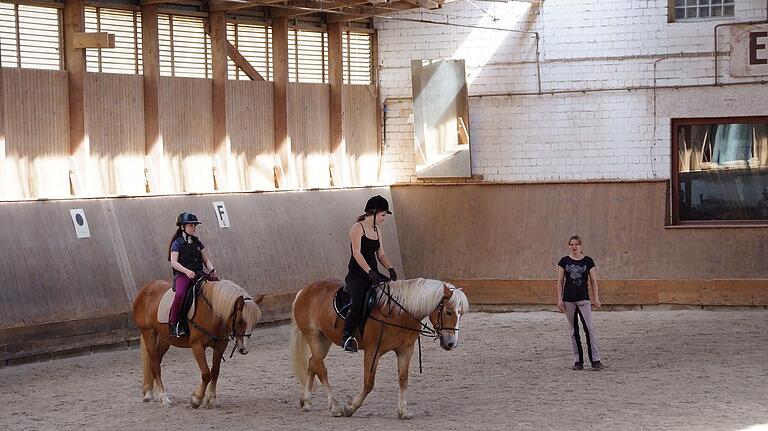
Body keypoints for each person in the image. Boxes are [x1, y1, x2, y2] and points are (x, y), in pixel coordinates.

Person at [341, 195, 399, 353]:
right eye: (382, 215)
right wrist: (369, 272)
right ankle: (347, 336)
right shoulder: (357, 228)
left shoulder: (377, 230)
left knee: (392, 294)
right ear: (373, 213)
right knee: (358, 302)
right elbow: (357, 253)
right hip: (357, 275)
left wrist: (390, 268)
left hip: (374, 274)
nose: (383, 219)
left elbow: (381, 255)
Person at [555, 235, 605, 370]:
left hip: (583, 299)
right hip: (568, 299)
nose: (574, 247)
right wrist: (559, 299)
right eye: (571, 244)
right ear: (569, 246)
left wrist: (596, 298)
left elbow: (594, 281)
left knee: (589, 328)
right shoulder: (564, 261)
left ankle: (595, 359)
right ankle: (578, 361)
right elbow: (560, 281)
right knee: (573, 330)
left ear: (581, 245)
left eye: (576, 244)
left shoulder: (588, 261)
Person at [167, 212, 216, 338]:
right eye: (191, 225)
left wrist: (211, 268)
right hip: (183, 275)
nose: (194, 228)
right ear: (182, 227)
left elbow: (206, 260)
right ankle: (174, 324)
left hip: (199, 273)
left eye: (195, 225)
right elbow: (173, 262)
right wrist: (186, 271)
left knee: (217, 284)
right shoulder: (177, 243)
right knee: (180, 294)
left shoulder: (197, 242)